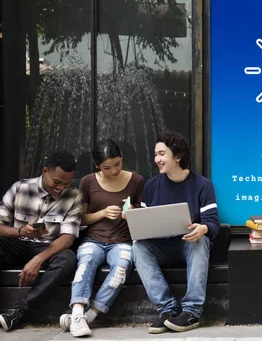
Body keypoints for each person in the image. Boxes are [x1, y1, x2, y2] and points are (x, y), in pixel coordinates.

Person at [131, 130, 220, 334]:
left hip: (189, 245)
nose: (157, 159)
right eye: (156, 154)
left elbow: (213, 223)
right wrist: (135, 220)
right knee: (138, 247)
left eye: (162, 154)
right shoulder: (151, 185)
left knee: (201, 240)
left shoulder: (202, 186)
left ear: (177, 156)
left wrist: (203, 228)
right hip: (160, 246)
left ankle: (191, 312)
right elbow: (146, 223)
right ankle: (167, 310)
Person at [59, 139, 145, 337]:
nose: (114, 171)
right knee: (85, 263)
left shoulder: (137, 180)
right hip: (94, 240)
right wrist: (103, 213)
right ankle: (78, 312)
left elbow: (143, 217)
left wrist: (132, 212)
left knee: (121, 269)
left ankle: (89, 317)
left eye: (117, 164)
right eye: (107, 167)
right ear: (97, 165)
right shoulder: (87, 182)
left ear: (122, 157)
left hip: (122, 241)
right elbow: (80, 219)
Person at [0, 151, 82, 331]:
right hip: (17, 243)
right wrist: (20, 231)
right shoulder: (20, 188)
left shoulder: (74, 195)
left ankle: (18, 311)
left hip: (47, 247)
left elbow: (68, 237)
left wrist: (39, 259)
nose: (60, 188)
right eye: (56, 182)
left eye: (66, 183)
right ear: (45, 171)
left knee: (68, 259)